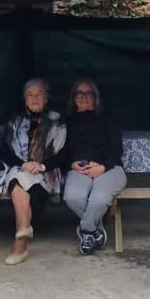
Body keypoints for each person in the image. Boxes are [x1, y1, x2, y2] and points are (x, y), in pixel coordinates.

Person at [47, 78, 127, 255]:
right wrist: (71, 164)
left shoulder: (107, 118)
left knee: (99, 198)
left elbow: (117, 150)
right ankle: (95, 229)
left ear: (95, 97)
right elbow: (65, 152)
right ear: (73, 98)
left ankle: (87, 231)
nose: (84, 97)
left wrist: (102, 167)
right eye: (79, 93)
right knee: (72, 197)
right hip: (81, 168)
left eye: (88, 93)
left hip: (109, 168)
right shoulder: (69, 122)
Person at [0, 78, 66, 266]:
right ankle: (21, 240)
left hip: (46, 173)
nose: (34, 98)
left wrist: (42, 166)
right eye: (30, 94)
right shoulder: (14, 120)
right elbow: (4, 151)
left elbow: (64, 153)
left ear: (46, 98)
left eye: (39, 94)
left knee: (20, 185)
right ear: (25, 99)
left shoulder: (58, 121)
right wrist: (23, 163)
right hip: (19, 169)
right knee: (18, 179)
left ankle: (21, 238)